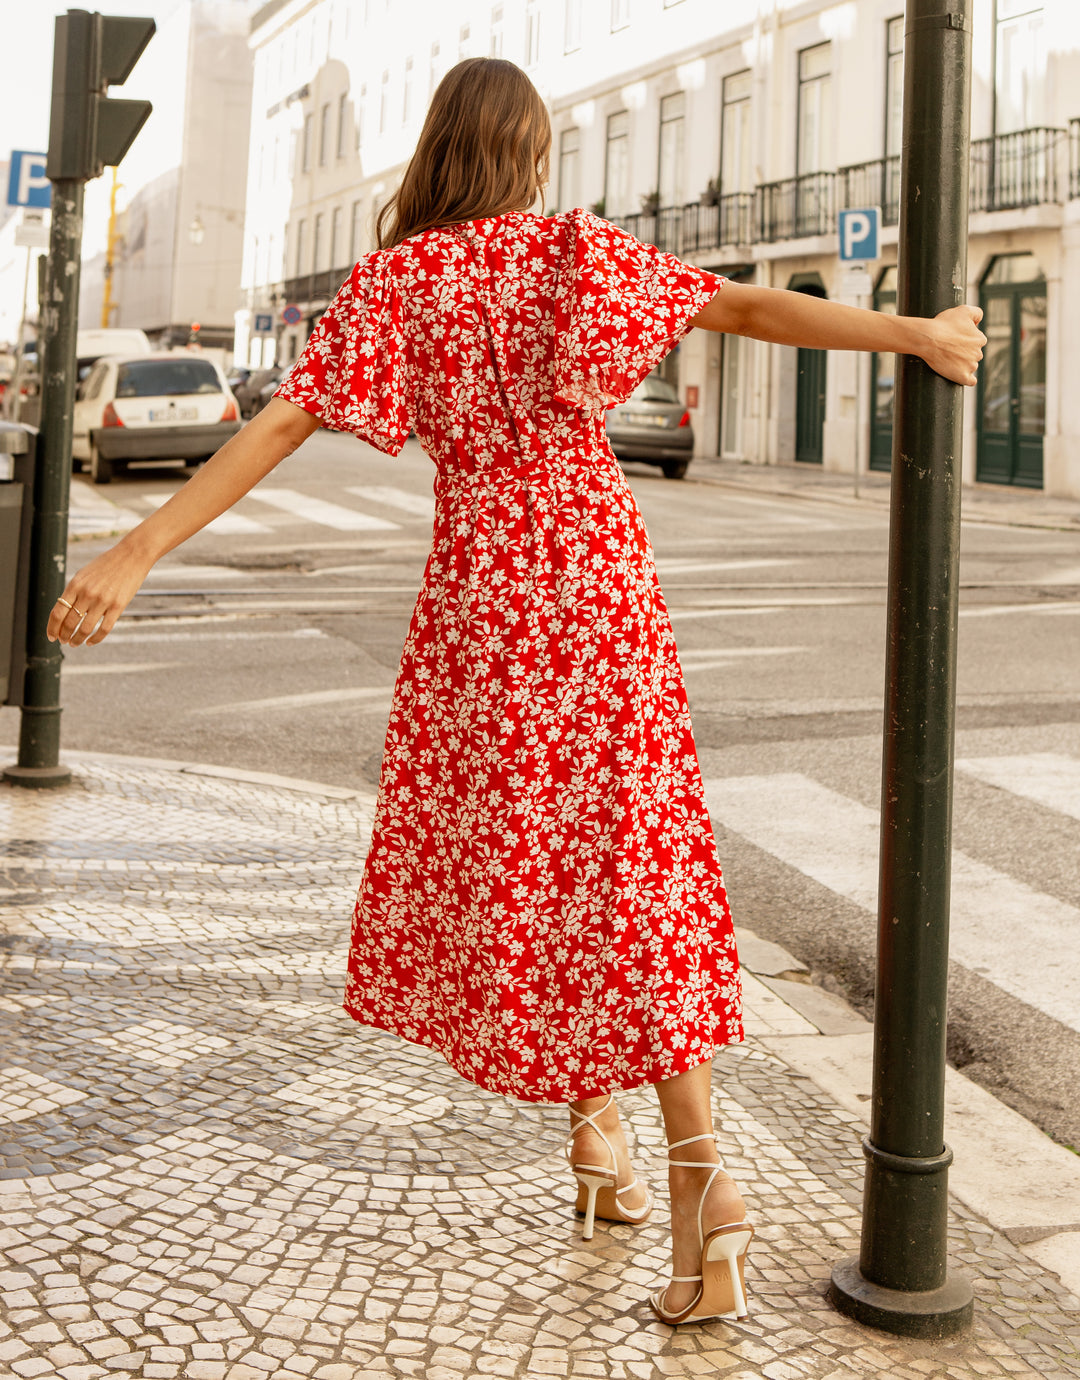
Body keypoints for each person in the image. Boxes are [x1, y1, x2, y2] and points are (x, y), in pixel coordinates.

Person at [48, 58, 985, 1326]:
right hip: (599, 578)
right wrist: (915, 334)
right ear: (530, 156)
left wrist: (134, 547)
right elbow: (750, 313)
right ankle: (692, 1174)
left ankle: (610, 1147)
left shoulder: (398, 282)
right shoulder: (571, 254)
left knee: (540, 861)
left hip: (485, 599)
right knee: (630, 856)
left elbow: (275, 430)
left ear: (436, 153)